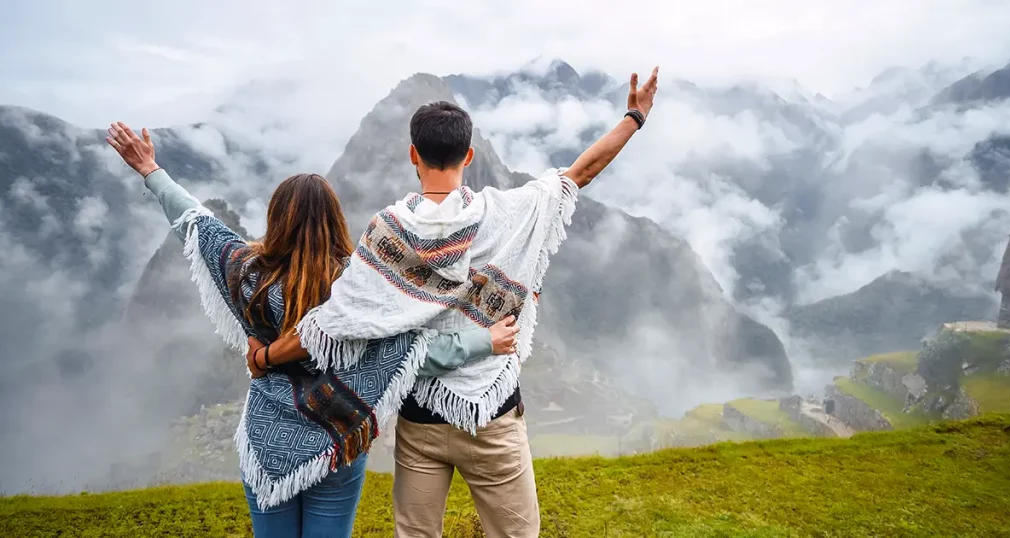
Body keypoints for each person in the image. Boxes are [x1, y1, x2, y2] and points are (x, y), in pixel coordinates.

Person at [256, 67, 658, 537]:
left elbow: (331, 326)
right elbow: (579, 173)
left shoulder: (386, 233)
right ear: (468, 154)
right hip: (493, 415)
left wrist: (265, 356)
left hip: (420, 417)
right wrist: (634, 116)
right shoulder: (508, 213)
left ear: (413, 155)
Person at [105, 122, 521, 538]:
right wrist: (484, 340)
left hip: (267, 440)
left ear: (276, 217)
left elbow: (195, 223)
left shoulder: (249, 274)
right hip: (337, 438)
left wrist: (150, 170)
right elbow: (410, 353)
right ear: (334, 220)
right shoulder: (357, 289)